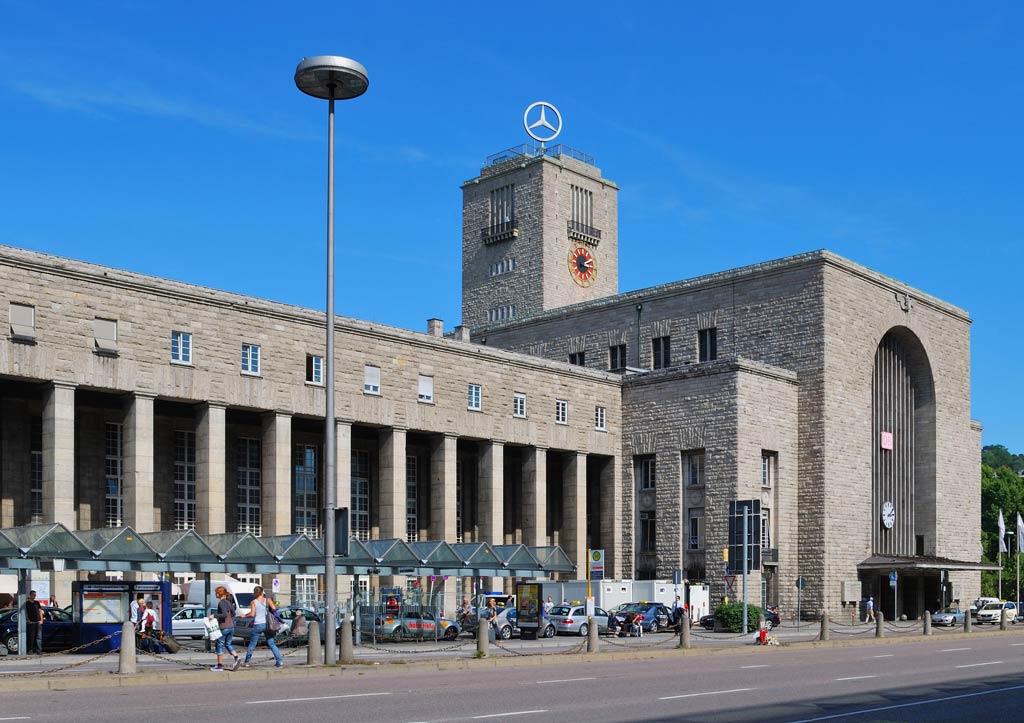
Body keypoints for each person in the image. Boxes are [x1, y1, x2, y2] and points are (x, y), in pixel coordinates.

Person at [237, 585, 283, 668]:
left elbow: (252, 614)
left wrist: (244, 616)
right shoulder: (268, 600)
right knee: (271, 643)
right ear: (262, 592)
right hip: (267, 624)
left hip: (258, 624)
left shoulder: (253, 602)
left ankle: (247, 662)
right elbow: (274, 609)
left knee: (252, 644)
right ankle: (279, 661)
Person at [210, 585, 241, 671]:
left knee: (219, 645)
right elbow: (233, 614)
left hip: (224, 627)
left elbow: (224, 614)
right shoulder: (229, 602)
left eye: (216, 593)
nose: (215, 594)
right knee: (228, 644)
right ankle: (236, 658)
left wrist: (214, 616)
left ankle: (220, 666)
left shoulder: (222, 603)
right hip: (231, 626)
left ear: (219, 594)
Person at [24, 590, 43, 654]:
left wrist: (41, 620)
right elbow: (25, 613)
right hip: (31, 623)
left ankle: (39, 650)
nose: (34, 596)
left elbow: (40, 611)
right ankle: (30, 650)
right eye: (33, 595)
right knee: (31, 637)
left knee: (39, 637)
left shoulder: (37, 603)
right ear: (30, 595)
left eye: (35, 595)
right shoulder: (27, 603)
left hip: (38, 622)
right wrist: (28, 620)